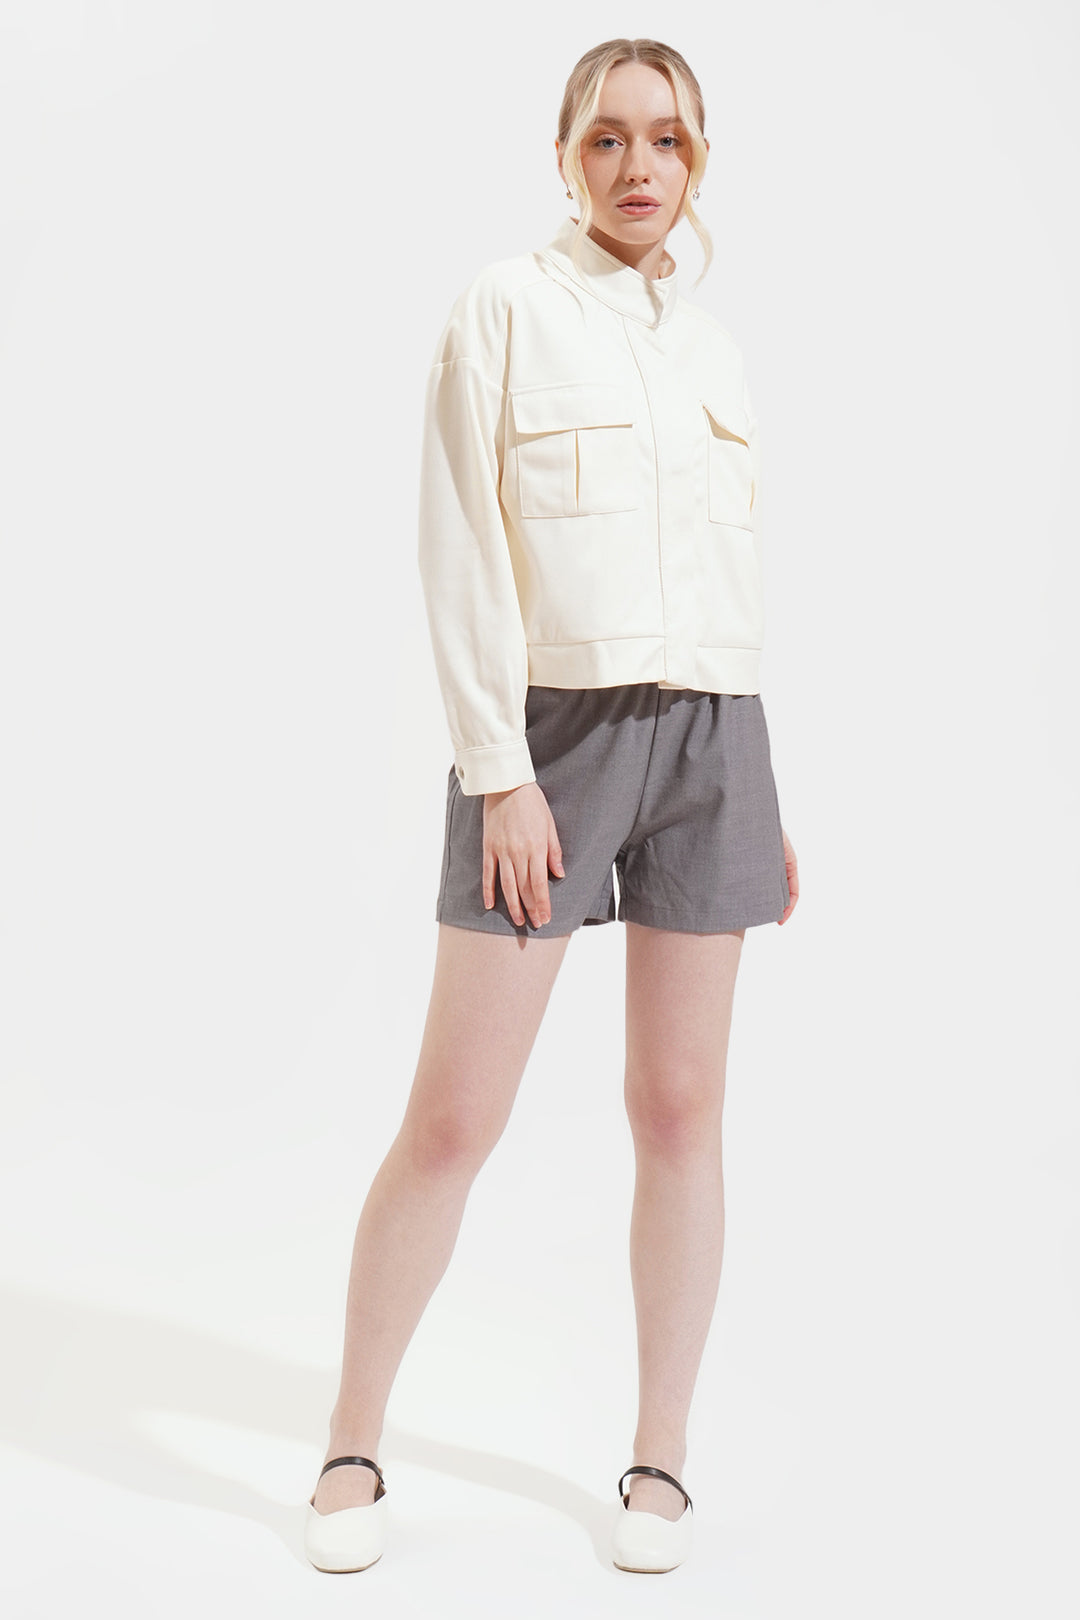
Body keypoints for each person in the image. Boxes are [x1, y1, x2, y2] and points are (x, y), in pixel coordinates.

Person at [304, 36, 799, 1578]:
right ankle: (350, 1443)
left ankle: (661, 1460)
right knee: (456, 1118)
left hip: (715, 738)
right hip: (550, 741)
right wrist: (498, 771)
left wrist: (759, 792)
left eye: (668, 140)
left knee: (682, 1110)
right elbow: (460, 542)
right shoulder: (505, 308)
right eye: (607, 139)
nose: (639, 166)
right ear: (567, 155)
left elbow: (722, 580)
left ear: (700, 160)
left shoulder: (712, 353)